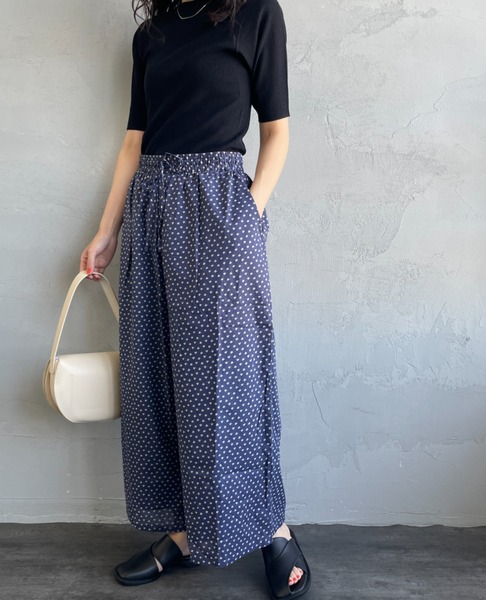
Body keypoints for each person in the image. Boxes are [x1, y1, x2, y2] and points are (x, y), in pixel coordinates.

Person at [80, 0, 311, 597]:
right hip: (151, 211)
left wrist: (246, 216)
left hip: (219, 209)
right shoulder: (150, 35)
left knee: (231, 380)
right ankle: (184, 532)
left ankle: (270, 526)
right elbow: (133, 143)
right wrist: (107, 231)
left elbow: (277, 131)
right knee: (157, 378)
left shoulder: (256, 14)